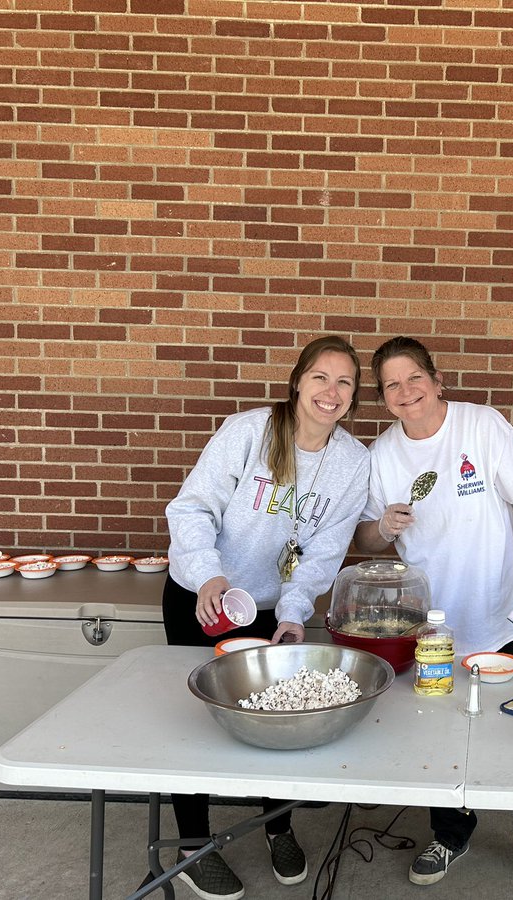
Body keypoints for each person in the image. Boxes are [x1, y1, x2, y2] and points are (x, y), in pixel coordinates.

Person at [354, 336, 513, 893]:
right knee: (440, 733)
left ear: (437, 379)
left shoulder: (483, 426)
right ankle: (450, 833)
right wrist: (381, 529)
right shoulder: (381, 456)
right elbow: (364, 538)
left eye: (413, 379)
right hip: (434, 627)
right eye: (391, 385)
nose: (406, 393)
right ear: (383, 397)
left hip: (505, 613)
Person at [163, 335, 370, 900]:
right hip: (205, 597)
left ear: (354, 397)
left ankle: (277, 826)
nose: (331, 392)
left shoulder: (353, 461)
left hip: (272, 609)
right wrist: (208, 573)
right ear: (298, 381)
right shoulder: (249, 432)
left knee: (279, 720)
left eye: (345, 382)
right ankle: (192, 847)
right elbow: (192, 506)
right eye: (321, 377)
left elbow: (327, 550)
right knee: (195, 721)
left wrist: (298, 612)